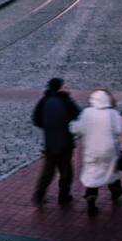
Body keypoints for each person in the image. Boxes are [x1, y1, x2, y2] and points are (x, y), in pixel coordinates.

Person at [69, 88, 122, 216]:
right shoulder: (112, 113)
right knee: (111, 171)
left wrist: (72, 125)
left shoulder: (87, 113)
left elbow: (77, 129)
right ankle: (116, 191)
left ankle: (91, 201)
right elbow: (119, 130)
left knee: (93, 174)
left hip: (92, 151)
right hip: (109, 150)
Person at [32, 77, 80, 206]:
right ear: (59, 87)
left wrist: (49, 127)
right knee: (66, 172)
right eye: (64, 85)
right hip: (65, 142)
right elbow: (77, 117)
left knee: (48, 171)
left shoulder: (44, 100)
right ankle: (63, 196)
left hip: (50, 142)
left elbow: (36, 120)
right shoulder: (66, 101)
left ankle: (39, 195)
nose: (66, 87)